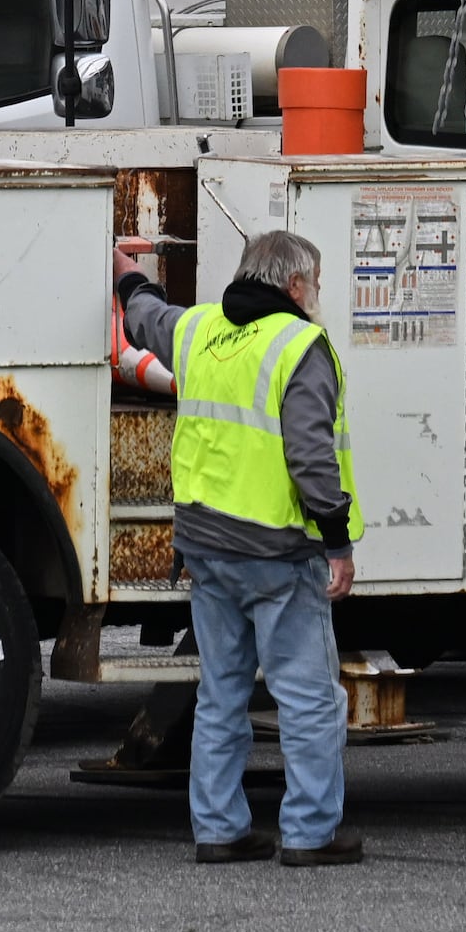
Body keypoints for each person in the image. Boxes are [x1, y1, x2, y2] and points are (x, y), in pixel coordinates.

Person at [112, 228, 361, 868]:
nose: (318, 297)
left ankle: (219, 830)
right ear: (297, 285)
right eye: (317, 285)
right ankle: (310, 834)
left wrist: (123, 273)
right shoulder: (301, 344)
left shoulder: (198, 330)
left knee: (221, 694)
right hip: (278, 552)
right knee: (309, 699)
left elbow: (144, 316)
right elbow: (310, 455)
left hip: (205, 546)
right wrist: (337, 541)